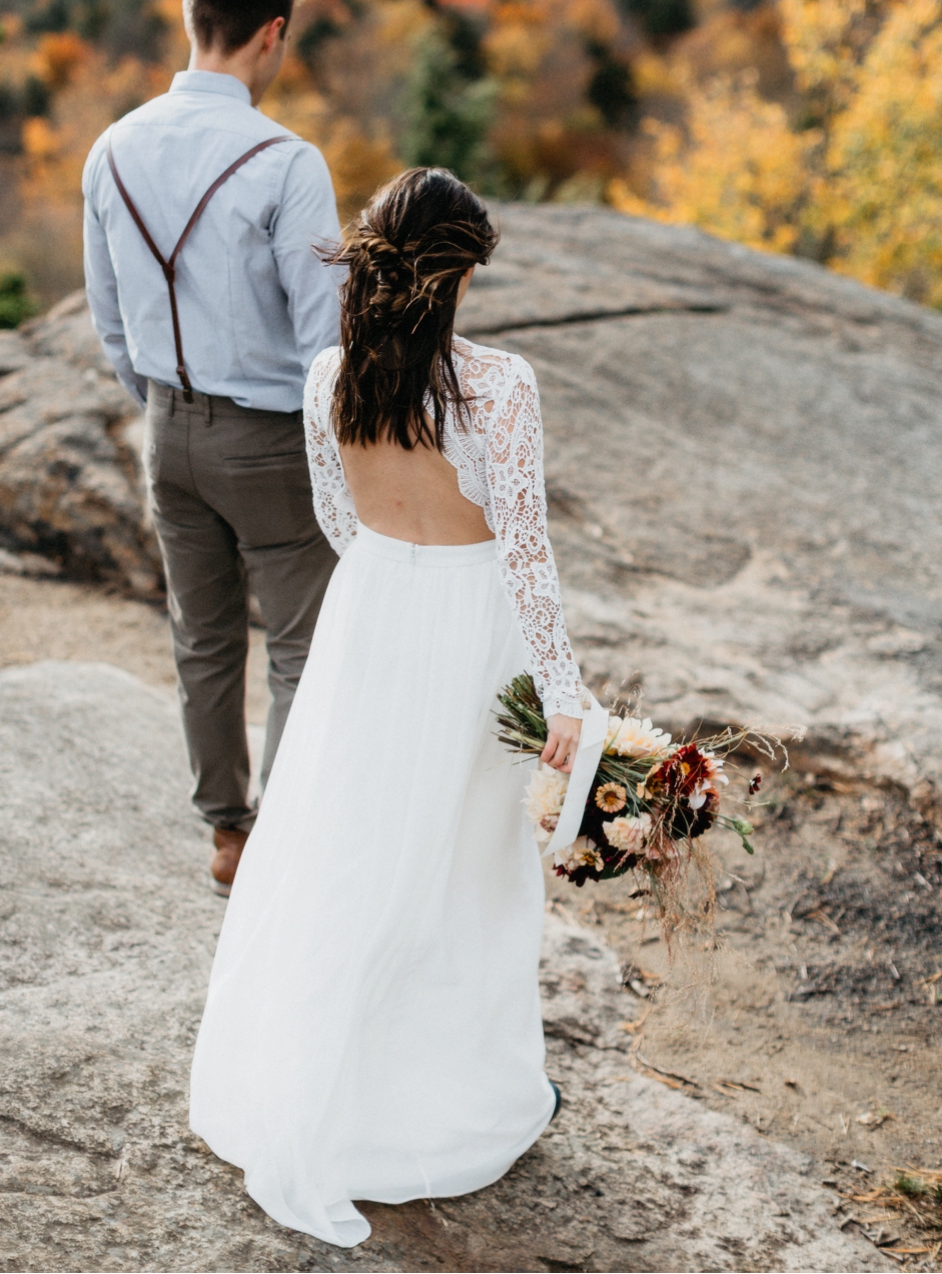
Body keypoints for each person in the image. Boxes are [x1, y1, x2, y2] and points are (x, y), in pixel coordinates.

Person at [190, 166, 583, 1247]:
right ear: (455, 274)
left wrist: (394, 592)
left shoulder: (329, 378)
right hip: (469, 629)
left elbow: (335, 518)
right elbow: (527, 553)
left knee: (349, 848)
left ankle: (315, 1080)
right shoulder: (498, 387)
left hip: (370, 623)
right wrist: (565, 695)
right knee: (460, 866)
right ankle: (438, 1101)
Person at [82, 0, 341, 895]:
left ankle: (227, 837)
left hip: (167, 431)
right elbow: (326, 345)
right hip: (270, 439)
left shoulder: (112, 147)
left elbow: (106, 314)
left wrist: (161, 403)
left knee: (202, 638)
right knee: (301, 647)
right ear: (271, 34)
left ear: (194, 21)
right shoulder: (287, 162)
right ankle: (289, 839)